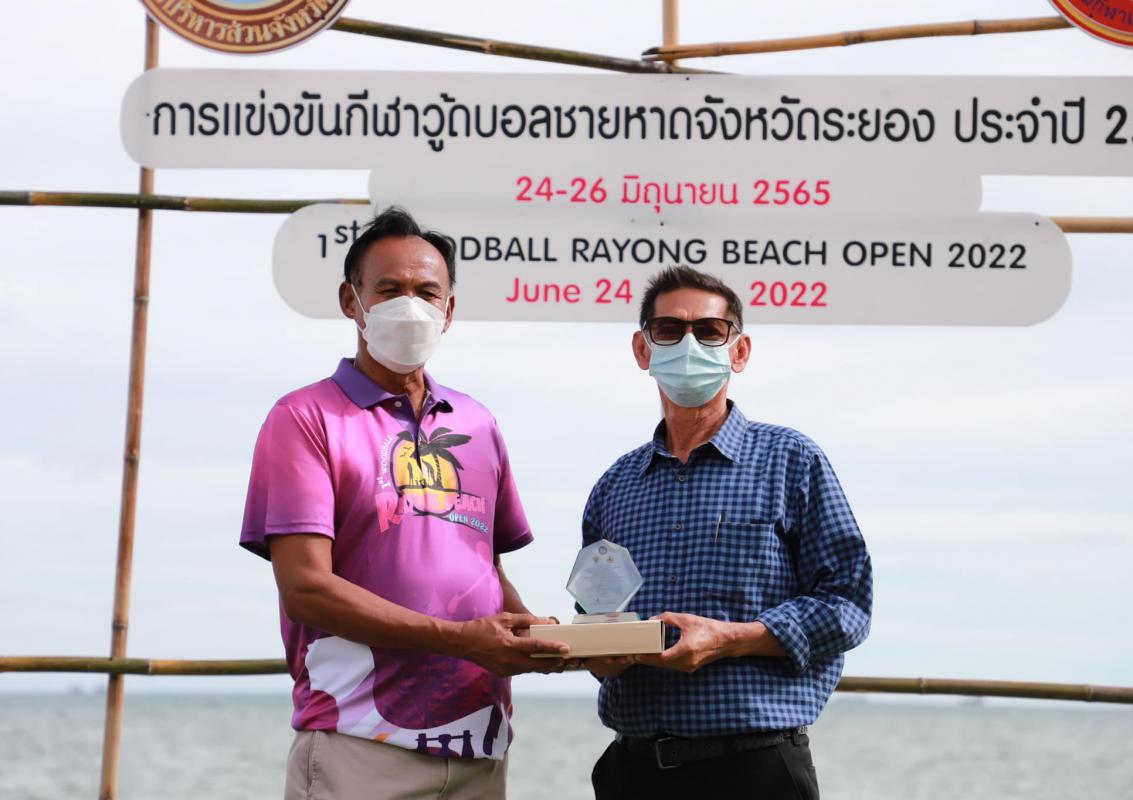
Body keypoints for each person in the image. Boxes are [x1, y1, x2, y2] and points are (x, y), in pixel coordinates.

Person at [240, 207, 567, 800]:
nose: (410, 306)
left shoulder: (477, 421)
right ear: (352, 301)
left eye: (426, 292)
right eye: (389, 290)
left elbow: (484, 569)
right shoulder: (305, 418)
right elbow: (306, 588)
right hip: (360, 743)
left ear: (450, 310)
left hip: (479, 745)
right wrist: (460, 638)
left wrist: (535, 635)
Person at [580, 266, 872, 800]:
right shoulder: (614, 486)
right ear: (643, 349)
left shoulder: (792, 460)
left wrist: (731, 640)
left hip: (755, 770)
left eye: (710, 331)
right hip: (632, 771)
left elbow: (848, 604)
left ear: (739, 351)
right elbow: (595, 614)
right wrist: (596, 652)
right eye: (669, 330)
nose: (689, 343)